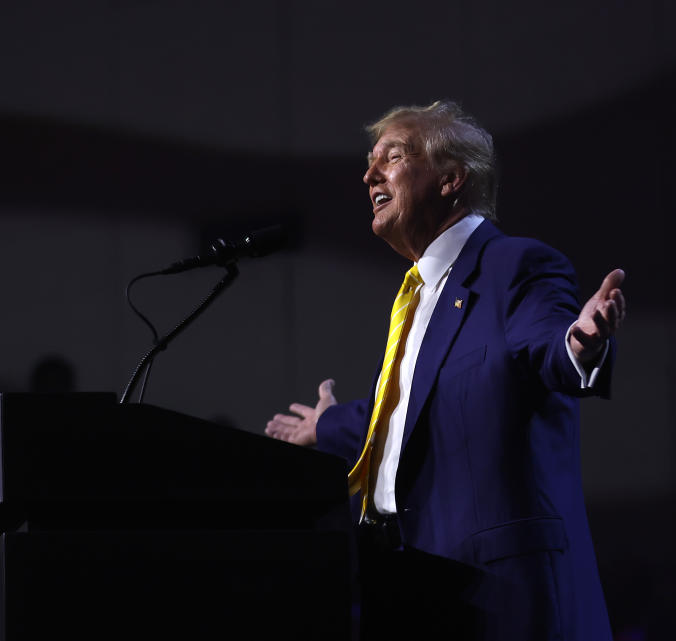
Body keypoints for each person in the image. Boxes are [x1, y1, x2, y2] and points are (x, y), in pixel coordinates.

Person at [265, 100, 625, 641]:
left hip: (495, 591)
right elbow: (415, 406)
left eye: (393, 157)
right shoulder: (419, 294)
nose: (369, 175)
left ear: (450, 179)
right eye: (369, 161)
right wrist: (328, 426)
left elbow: (546, 345)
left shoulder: (515, 265)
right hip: (407, 584)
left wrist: (581, 344)